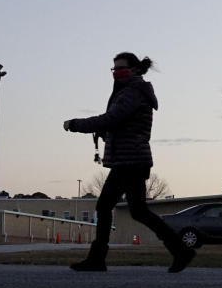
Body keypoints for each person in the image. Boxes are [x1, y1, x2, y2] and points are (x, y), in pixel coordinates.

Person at [63, 53, 194, 273]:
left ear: (133, 70)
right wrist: (107, 132)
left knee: (105, 206)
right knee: (139, 211)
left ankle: (97, 259)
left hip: (130, 160)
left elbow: (111, 118)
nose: (116, 72)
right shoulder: (131, 91)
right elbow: (119, 123)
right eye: (114, 69)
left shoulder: (132, 92)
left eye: (121, 68)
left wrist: (76, 124)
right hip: (133, 159)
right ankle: (180, 250)